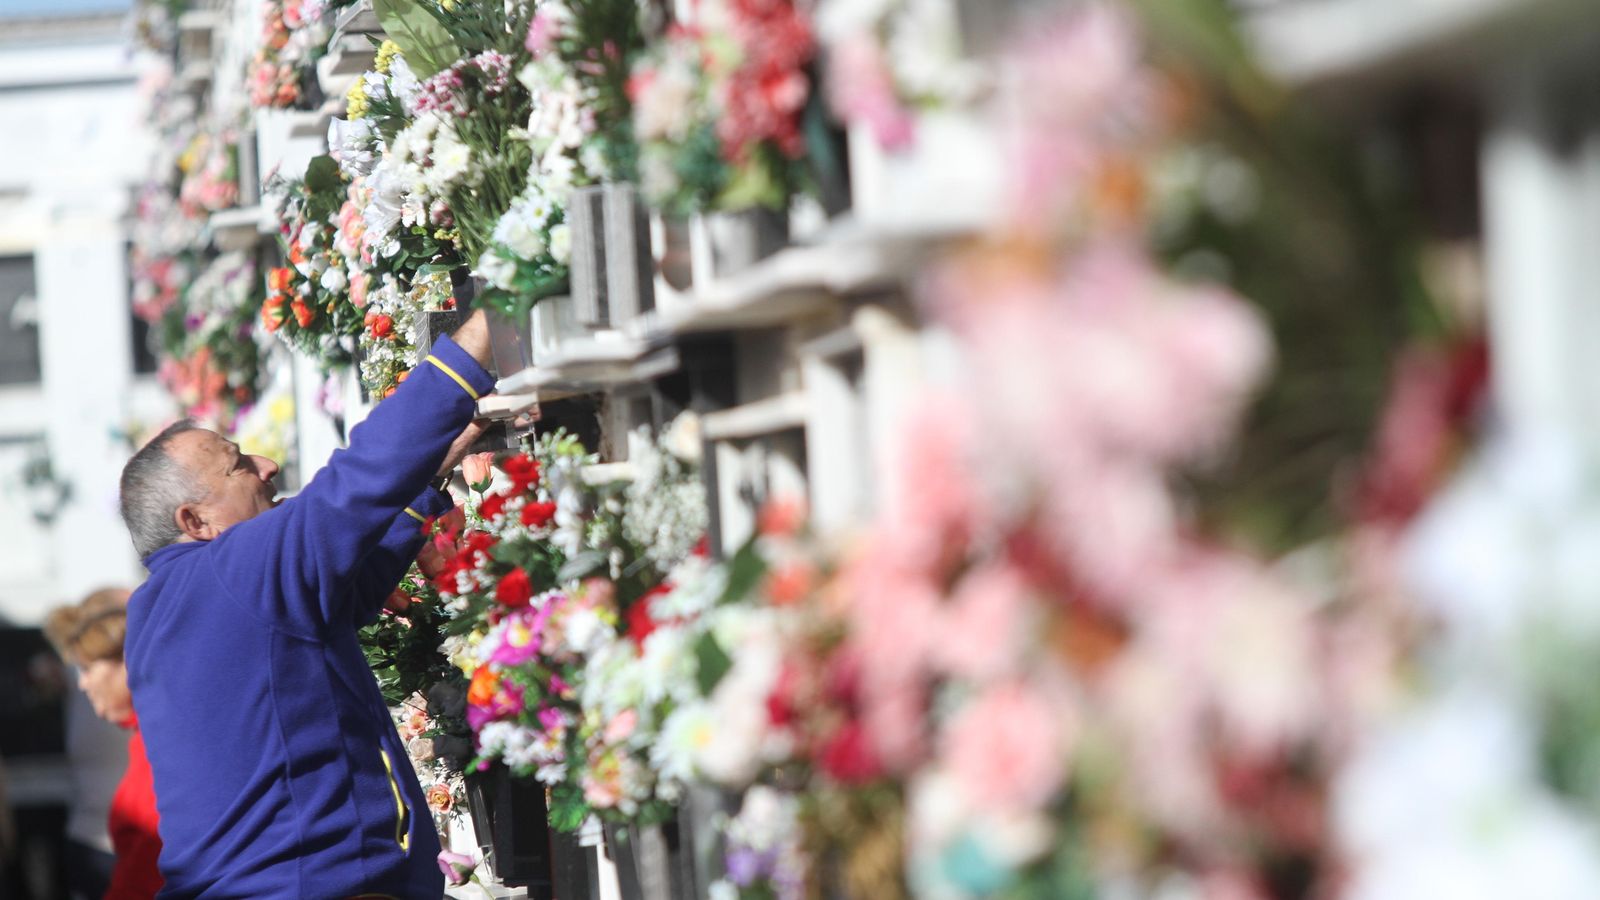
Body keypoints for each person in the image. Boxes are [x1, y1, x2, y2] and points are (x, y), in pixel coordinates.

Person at [119, 311, 495, 898]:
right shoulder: (231, 570)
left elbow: (334, 600)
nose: (267, 466)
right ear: (195, 522)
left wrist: (424, 480)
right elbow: (359, 479)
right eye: (239, 465)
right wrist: (484, 332)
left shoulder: (157, 610)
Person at [44, 588, 162, 900]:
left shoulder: (158, 739)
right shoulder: (143, 735)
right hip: (95, 846)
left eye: (86, 669)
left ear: (126, 661)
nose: (81, 683)